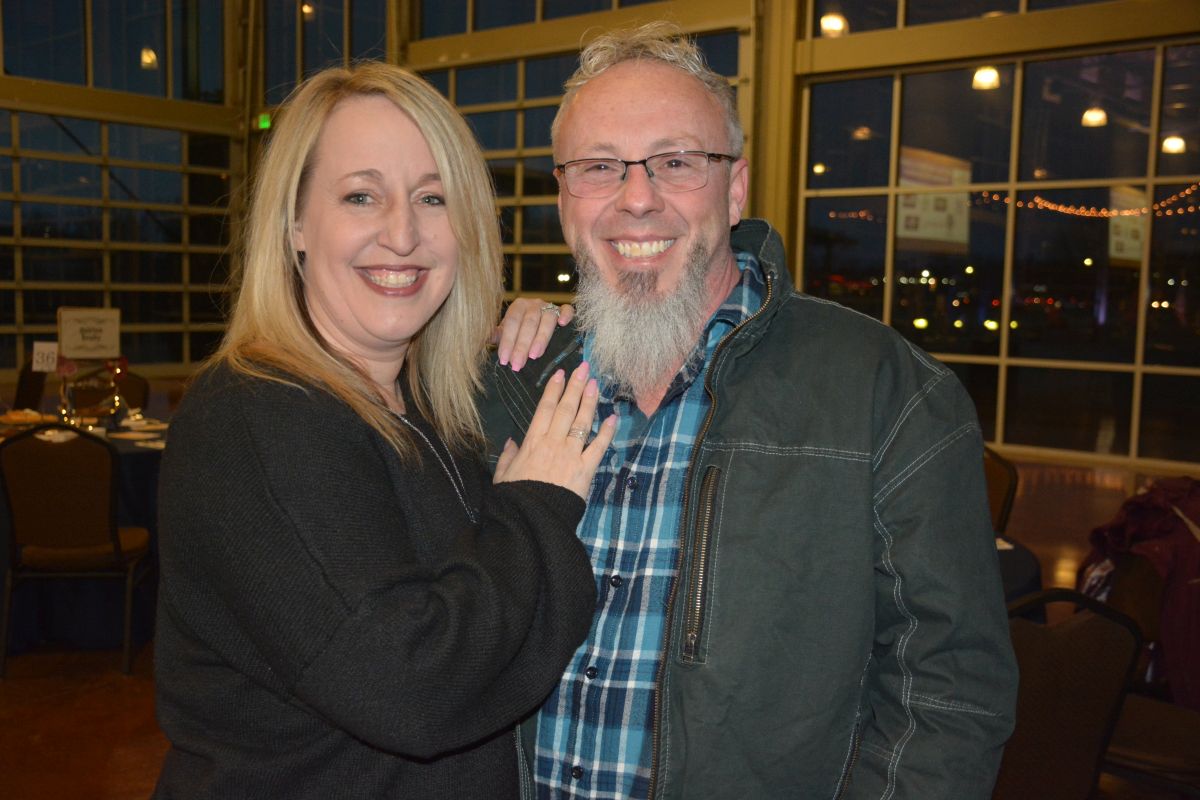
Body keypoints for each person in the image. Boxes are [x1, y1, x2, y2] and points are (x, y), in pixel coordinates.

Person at [481, 21, 1018, 799]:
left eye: (676, 162)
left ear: (734, 190)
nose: (638, 198)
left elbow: (949, 694)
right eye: (599, 167)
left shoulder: (885, 391)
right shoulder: (504, 386)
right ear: (564, 198)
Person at [153, 62, 615, 799]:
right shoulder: (255, 414)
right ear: (295, 225)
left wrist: (540, 338)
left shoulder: (423, 406)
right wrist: (536, 506)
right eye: (361, 196)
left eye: (433, 198)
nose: (402, 235)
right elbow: (408, 689)